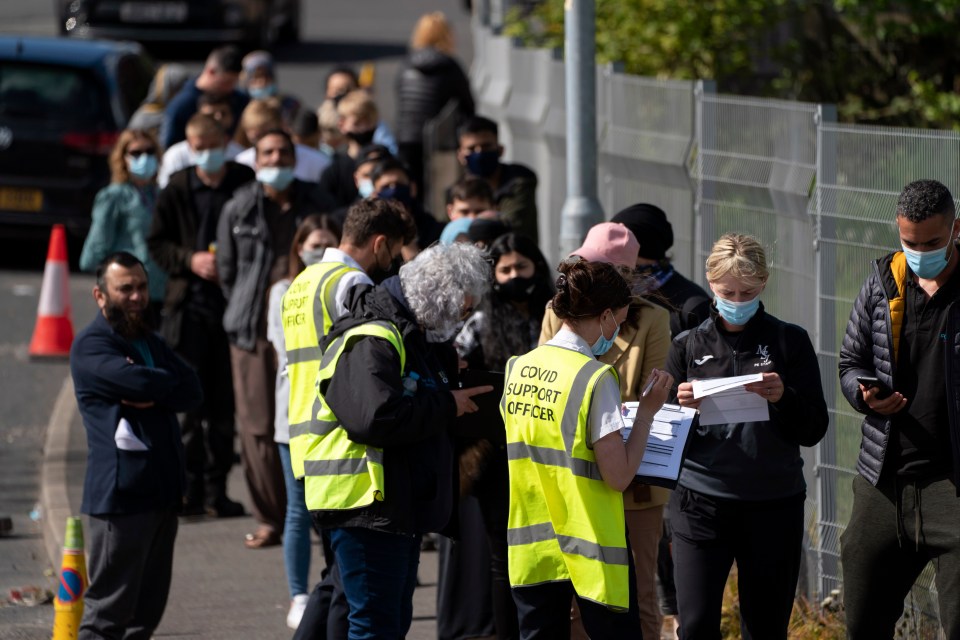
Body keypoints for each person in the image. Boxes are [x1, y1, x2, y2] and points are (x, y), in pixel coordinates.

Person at [304, 242, 494, 639]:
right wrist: (447, 405)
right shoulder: (375, 337)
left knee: (386, 623)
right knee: (374, 626)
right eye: (461, 308)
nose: (462, 319)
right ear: (439, 297)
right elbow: (375, 418)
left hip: (391, 505)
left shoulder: (408, 335)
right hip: (366, 502)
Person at [666, 233, 828, 639]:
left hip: (773, 503)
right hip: (700, 503)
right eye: (727, 291)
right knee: (697, 626)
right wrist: (679, 408)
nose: (737, 300)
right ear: (710, 284)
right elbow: (664, 438)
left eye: (747, 291)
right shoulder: (686, 345)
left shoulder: (789, 340)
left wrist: (783, 397)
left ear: (763, 285)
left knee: (766, 628)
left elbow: (814, 429)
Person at [502, 257, 674, 639]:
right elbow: (618, 476)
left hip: (533, 543)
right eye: (621, 319)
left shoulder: (519, 367)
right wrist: (646, 413)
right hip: (592, 546)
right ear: (607, 316)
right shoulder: (595, 378)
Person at [283, 198, 416, 638]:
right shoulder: (351, 285)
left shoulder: (303, 283)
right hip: (342, 447)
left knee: (339, 578)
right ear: (379, 244)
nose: (394, 262)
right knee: (349, 590)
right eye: (394, 251)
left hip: (306, 441)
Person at [838, 179, 960, 640]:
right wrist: (864, 395)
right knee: (863, 622)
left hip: (953, 487)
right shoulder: (881, 281)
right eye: (909, 242)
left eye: (932, 242)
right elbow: (851, 363)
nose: (919, 252)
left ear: (955, 230)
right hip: (883, 482)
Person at [70, 252, 202, 639]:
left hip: (161, 495)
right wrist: (159, 385)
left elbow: (192, 389)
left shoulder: (149, 341)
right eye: (125, 288)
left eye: (141, 287)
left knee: (145, 617)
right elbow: (148, 385)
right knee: (108, 616)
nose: (136, 296)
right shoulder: (91, 346)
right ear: (100, 295)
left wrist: (152, 384)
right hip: (122, 501)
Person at [216, 129, 336, 549]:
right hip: (252, 329)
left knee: (313, 417)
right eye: (268, 152)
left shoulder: (317, 202)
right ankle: (272, 517)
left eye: (284, 152)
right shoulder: (239, 207)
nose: (277, 159)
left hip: (310, 322)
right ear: (256, 158)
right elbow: (228, 272)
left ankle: (312, 515)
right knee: (257, 424)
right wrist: (248, 306)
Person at [437, 233, 555, 640]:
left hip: (548, 452)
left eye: (521, 267)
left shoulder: (554, 317)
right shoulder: (482, 322)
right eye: (504, 270)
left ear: (537, 268)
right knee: (503, 560)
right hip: (495, 455)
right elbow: (454, 362)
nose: (514, 276)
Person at [609, 202, 711, 636]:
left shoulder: (684, 304)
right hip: (627, 438)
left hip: (673, 439)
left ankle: (671, 619)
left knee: (660, 552)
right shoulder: (677, 295)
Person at [148, 112, 254, 518]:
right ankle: (187, 488)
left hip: (231, 306)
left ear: (225, 143)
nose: (204, 154)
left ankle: (217, 491)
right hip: (188, 306)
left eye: (211, 146)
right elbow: (158, 242)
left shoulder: (242, 182)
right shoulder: (178, 188)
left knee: (224, 405)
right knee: (188, 405)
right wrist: (189, 260)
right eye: (197, 148)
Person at [267, 214, 342, 629]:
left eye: (326, 243)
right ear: (298, 248)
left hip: (332, 417)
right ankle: (298, 593)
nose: (318, 250)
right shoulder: (283, 290)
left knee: (331, 509)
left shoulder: (342, 286)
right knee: (298, 510)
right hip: (293, 417)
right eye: (312, 244)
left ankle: (332, 585)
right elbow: (288, 347)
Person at [80, 128, 167, 324]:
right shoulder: (113, 196)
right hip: (127, 295)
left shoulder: (161, 195)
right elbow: (96, 249)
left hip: (158, 294)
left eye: (149, 151)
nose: (144, 157)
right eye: (136, 153)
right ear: (123, 158)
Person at [395, 11, 476, 201]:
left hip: (406, 136)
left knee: (410, 192)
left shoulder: (406, 65)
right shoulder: (448, 65)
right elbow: (467, 103)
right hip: (437, 138)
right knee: (439, 194)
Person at [611, 203, 712, 337]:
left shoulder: (694, 306)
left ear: (641, 248)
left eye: (618, 243)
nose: (610, 253)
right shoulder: (615, 293)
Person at [454, 116, 538, 242]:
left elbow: (511, 226)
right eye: (471, 149)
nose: (479, 153)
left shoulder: (519, 182)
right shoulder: (458, 190)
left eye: (486, 146)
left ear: (500, 150)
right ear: (460, 156)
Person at [160, 46, 248, 149]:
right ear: (211, 72)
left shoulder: (239, 100)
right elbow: (168, 145)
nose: (230, 88)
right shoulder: (181, 106)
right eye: (226, 82)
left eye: (234, 82)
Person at [158, 93, 246, 188]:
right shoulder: (176, 156)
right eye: (210, 115)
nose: (217, 118)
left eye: (223, 113)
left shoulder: (240, 155)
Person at [233, 100, 331, 183]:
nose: (276, 158)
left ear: (283, 126)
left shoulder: (318, 162)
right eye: (256, 137)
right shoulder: (241, 163)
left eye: (268, 133)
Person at [318, 90, 386, 207]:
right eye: (357, 122)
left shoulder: (388, 163)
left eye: (369, 121)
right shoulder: (334, 172)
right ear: (342, 124)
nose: (365, 127)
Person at [372, 156, 444, 250]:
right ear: (375, 193)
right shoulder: (371, 231)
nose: (394, 190)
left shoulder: (433, 229)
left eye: (399, 184)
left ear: (413, 188)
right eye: (386, 187)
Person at [323, 66, 398, 154]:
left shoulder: (374, 126)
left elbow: (390, 151)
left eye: (347, 90)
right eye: (336, 90)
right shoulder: (321, 122)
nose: (342, 94)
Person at [241, 50, 301, 126]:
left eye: (266, 76)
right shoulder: (240, 104)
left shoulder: (289, 104)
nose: (262, 82)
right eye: (256, 77)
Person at [127, 63, 190, 135]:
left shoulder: (180, 112)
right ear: (166, 89)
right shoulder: (142, 120)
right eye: (178, 89)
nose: (182, 95)